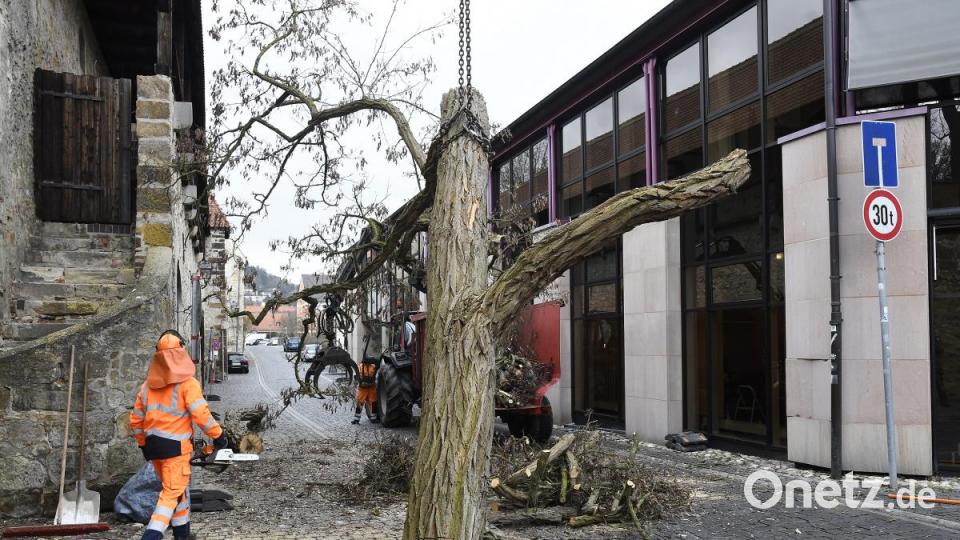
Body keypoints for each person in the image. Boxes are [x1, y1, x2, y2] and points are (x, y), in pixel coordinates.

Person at [130, 330, 227, 540]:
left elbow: (136, 420)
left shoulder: (147, 387)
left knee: (178, 492)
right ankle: (151, 536)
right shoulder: (188, 384)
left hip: (153, 449)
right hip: (175, 450)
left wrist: (143, 444)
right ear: (182, 352)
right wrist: (219, 436)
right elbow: (202, 415)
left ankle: (182, 535)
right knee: (170, 496)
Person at [352, 355, 379, 425]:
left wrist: (359, 382)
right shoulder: (373, 367)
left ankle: (357, 419)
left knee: (366, 403)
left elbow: (356, 376)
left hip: (366, 388)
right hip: (367, 388)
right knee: (371, 403)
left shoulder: (360, 366)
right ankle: (372, 418)